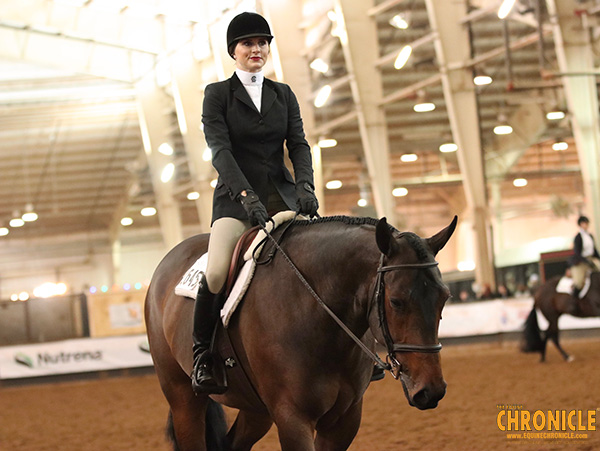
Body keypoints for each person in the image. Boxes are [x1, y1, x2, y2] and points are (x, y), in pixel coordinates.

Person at [191, 11, 319, 394]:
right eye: (248, 43)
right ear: (235, 51)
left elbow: (297, 144)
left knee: (326, 261)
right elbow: (221, 152)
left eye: (262, 43)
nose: (257, 49)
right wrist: (246, 197)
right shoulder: (217, 95)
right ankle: (203, 355)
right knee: (215, 272)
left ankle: (353, 349)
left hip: (283, 198)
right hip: (234, 202)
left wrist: (306, 187)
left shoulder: (284, 94)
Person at [569, 215, 600, 298]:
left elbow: (594, 250)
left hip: (591, 259)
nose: (586, 225)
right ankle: (574, 299)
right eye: (584, 223)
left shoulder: (590, 236)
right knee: (579, 282)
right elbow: (577, 252)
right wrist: (586, 261)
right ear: (580, 224)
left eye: (586, 223)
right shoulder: (578, 237)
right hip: (581, 261)